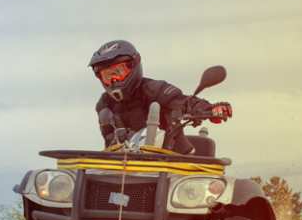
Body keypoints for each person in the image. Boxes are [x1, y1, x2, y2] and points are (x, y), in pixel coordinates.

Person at [88, 39, 232, 153]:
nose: (113, 81)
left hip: (173, 163)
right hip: (126, 167)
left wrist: (211, 109)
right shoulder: (104, 104)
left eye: (118, 72)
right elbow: (110, 143)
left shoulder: (154, 89)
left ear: (134, 65)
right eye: (107, 76)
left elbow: (183, 102)